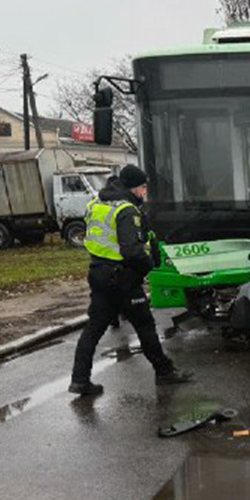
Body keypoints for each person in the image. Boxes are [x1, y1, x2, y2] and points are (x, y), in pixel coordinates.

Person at [69, 164, 193, 395]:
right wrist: (147, 267)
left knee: (93, 329)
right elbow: (132, 251)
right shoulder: (126, 211)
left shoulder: (98, 204)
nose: (144, 192)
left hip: (98, 273)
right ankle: (165, 373)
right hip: (123, 279)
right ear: (134, 187)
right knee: (145, 326)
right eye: (143, 187)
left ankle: (79, 379)